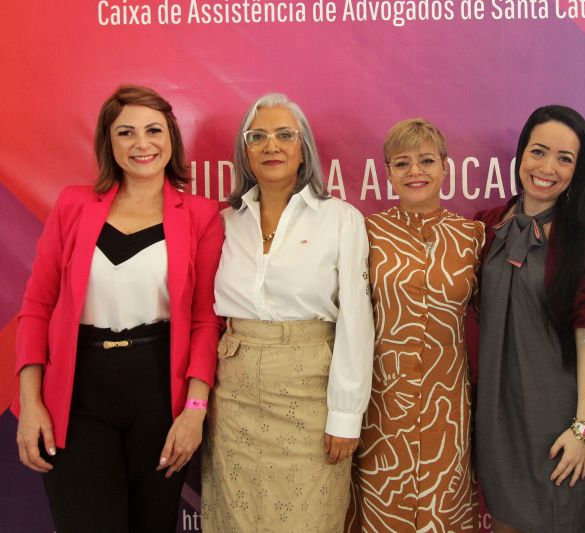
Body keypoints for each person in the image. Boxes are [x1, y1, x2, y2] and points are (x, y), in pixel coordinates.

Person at [13, 85, 224, 532]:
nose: (141, 143)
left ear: (171, 137)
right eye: (126, 132)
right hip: (78, 392)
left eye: (154, 130)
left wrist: (195, 410)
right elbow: (37, 307)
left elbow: (206, 321)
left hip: (159, 393)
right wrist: (30, 404)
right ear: (108, 142)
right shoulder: (73, 205)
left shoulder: (202, 215)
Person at [202, 93, 374, 532]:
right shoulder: (226, 222)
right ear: (245, 151)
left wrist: (346, 415)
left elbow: (356, 321)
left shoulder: (341, 219)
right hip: (235, 396)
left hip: (311, 397)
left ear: (303, 148)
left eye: (284, 135)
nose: (271, 146)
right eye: (257, 136)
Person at [473, 105, 585, 533]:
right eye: (538, 151)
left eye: (564, 159)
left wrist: (583, 428)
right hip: (497, 416)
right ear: (521, 153)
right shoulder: (485, 225)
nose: (547, 168)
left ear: (578, 171)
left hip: (558, 420)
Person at [347, 118, 485, 531]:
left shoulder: (472, 237)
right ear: (387, 173)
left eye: (426, 160)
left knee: (442, 515)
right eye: (402, 163)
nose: (415, 172)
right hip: (380, 407)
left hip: (448, 410)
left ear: (445, 167)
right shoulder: (366, 232)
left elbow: (497, 322)